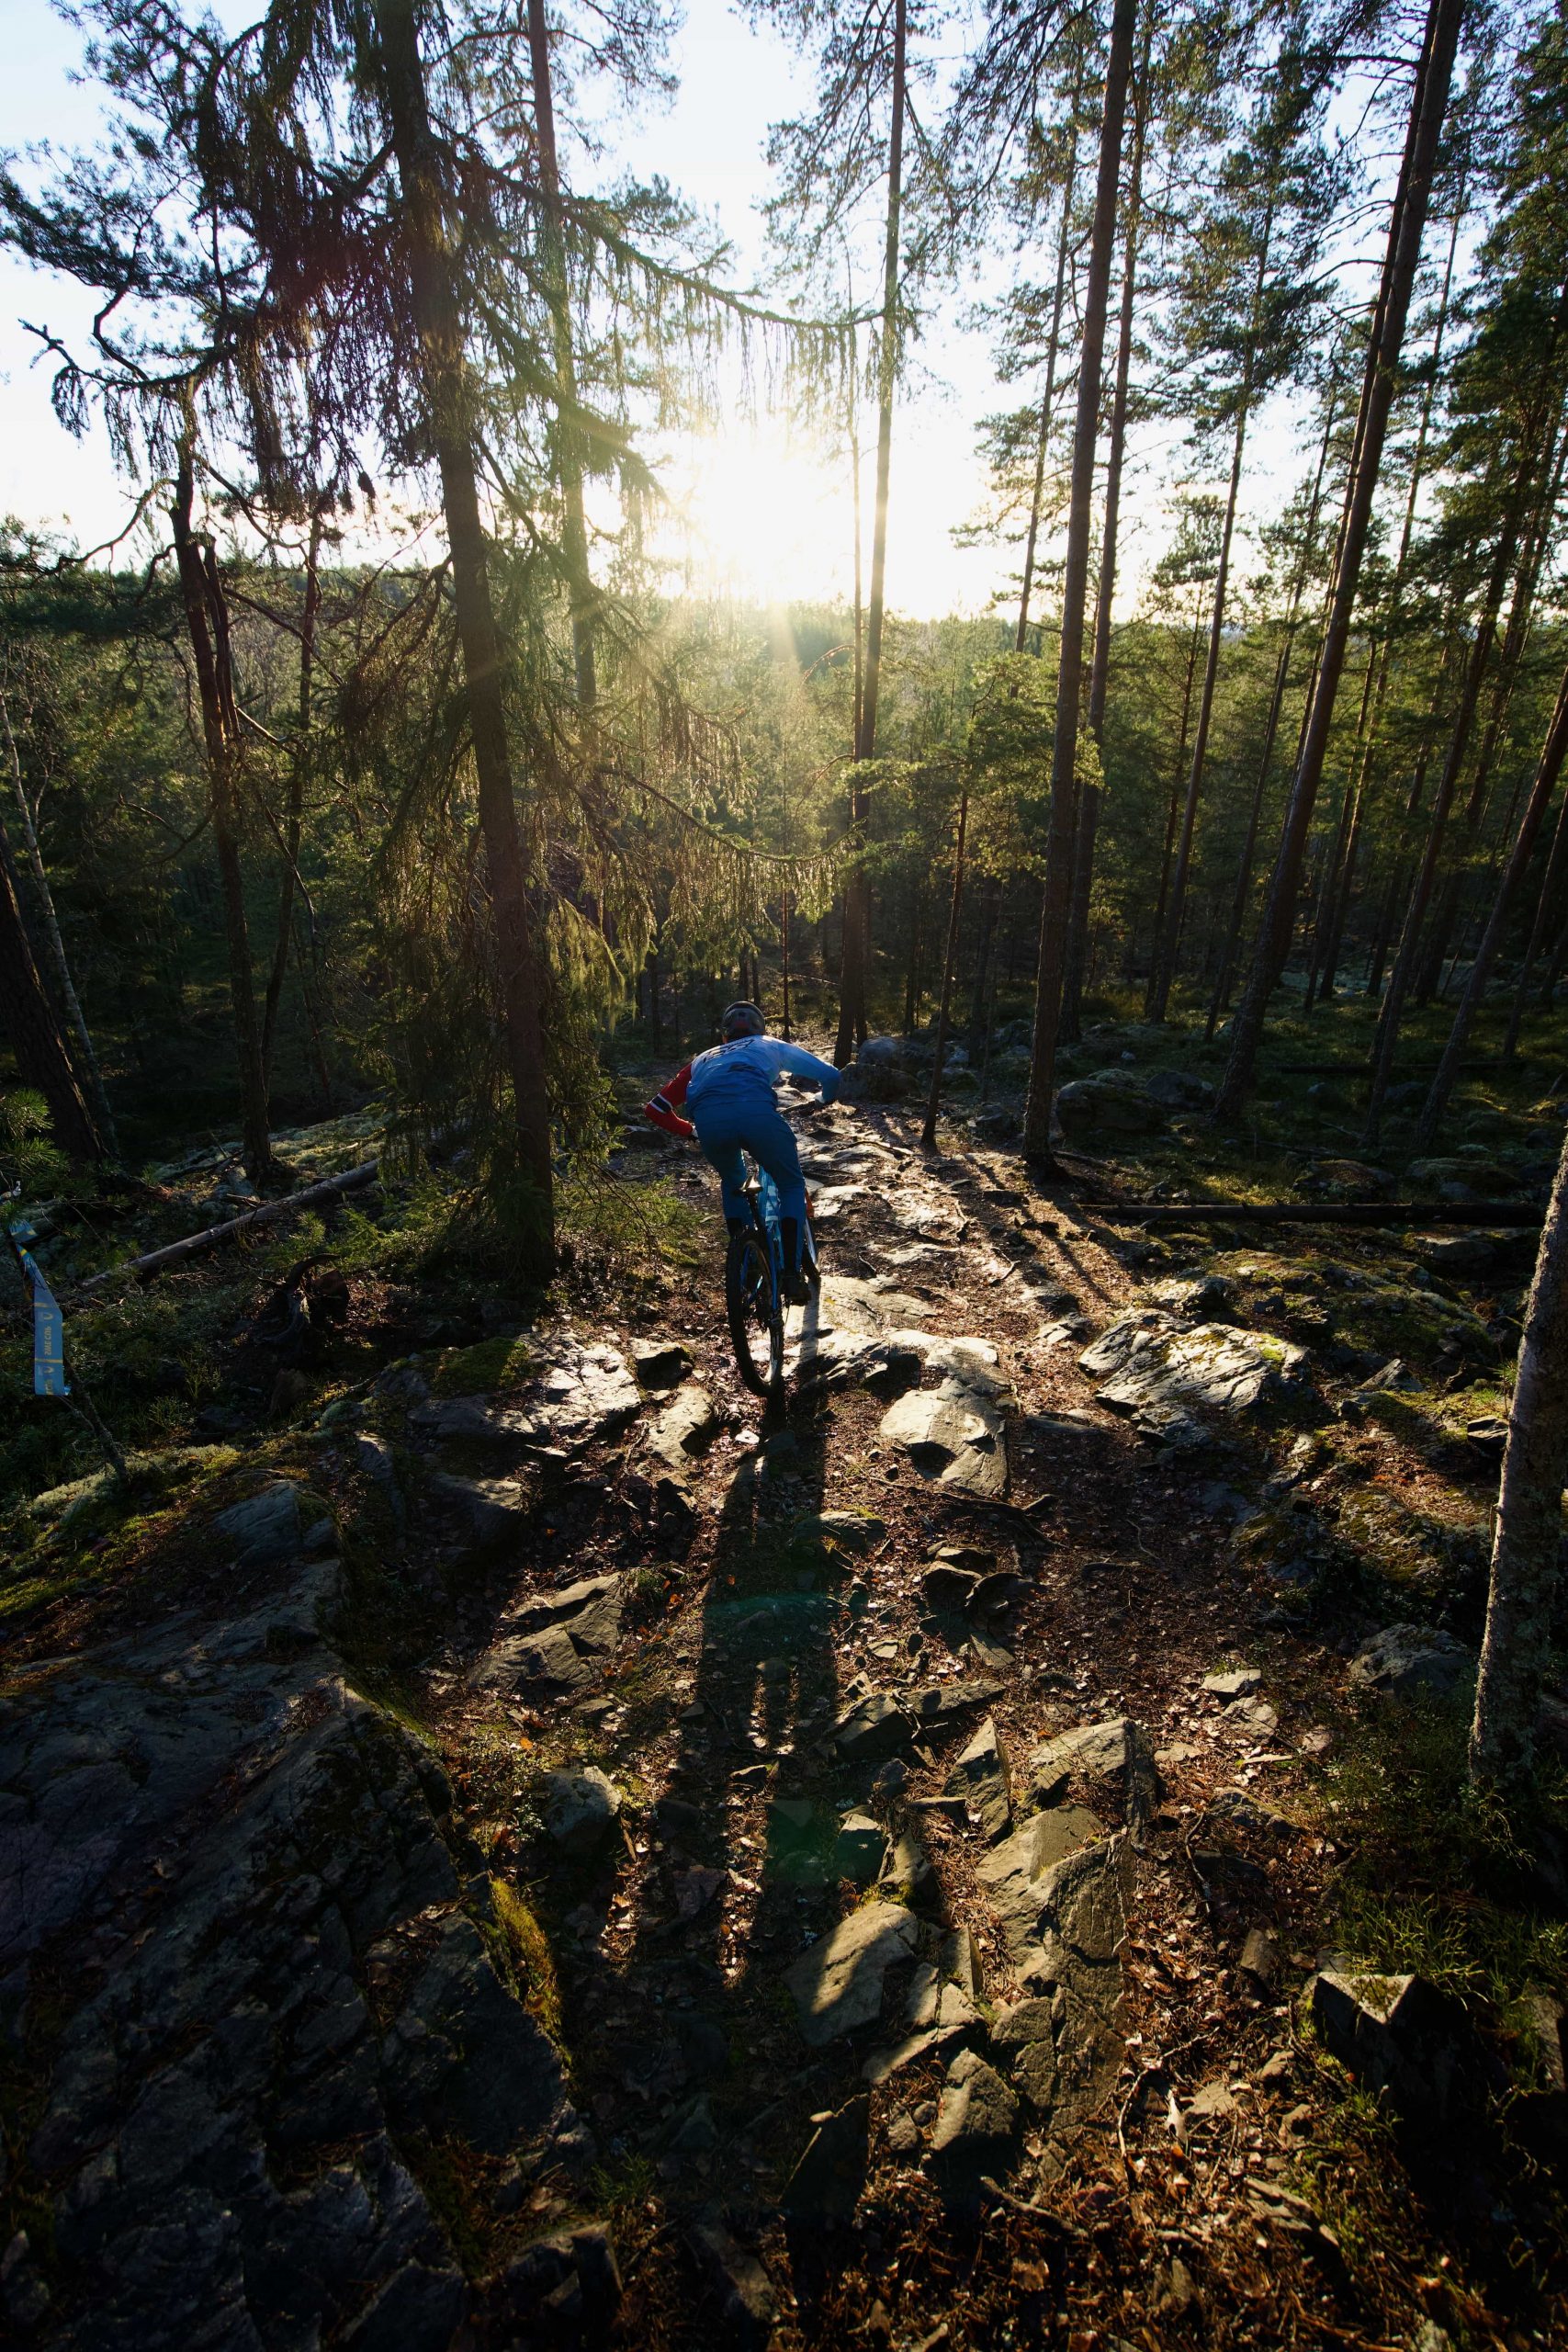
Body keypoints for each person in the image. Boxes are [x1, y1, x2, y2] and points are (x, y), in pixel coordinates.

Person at [645, 1002, 843, 1302]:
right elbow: (831, 1076)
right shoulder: (769, 1044)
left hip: (711, 1125)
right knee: (790, 1184)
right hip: (758, 1118)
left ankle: (747, 1261)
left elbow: (656, 1108)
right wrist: (821, 1099)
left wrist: (691, 1130)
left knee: (733, 1181)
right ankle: (791, 1274)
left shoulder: (702, 1059)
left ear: (725, 1036)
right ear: (759, 1029)